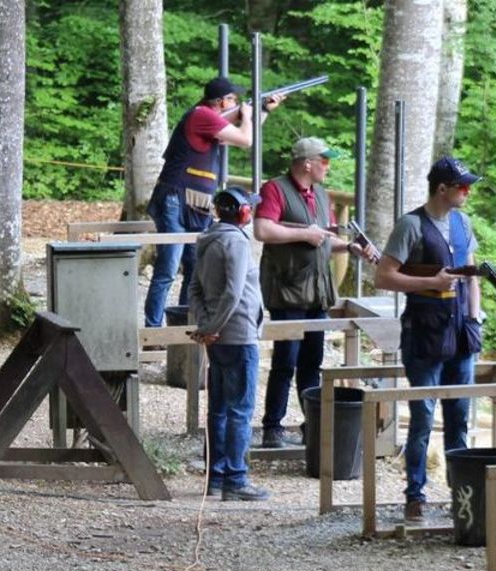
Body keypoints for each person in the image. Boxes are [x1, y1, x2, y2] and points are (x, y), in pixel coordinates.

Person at [374, 156, 485, 522]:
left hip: (459, 332)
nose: (467, 192)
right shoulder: (411, 225)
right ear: (442, 189)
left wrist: (473, 318)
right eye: (462, 186)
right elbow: (384, 277)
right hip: (423, 332)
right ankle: (415, 494)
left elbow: (471, 275)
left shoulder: (462, 222)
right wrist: (431, 283)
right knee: (423, 417)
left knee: (460, 417)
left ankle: (462, 495)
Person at [253, 137, 379, 448]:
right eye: (324, 160)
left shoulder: (321, 195)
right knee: (285, 360)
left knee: (313, 361)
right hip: (287, 289)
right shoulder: (274, 189)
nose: (328, 166)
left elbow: (324, 240)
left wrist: (350, 247)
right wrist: (304, 234)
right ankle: (273, 428)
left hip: (317, 291)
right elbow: (262, 229)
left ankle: (313, 425)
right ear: (307, 163)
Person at [144, 76, 283, 328]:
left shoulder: (209, 120)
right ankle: (153, 329)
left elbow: (239, 137)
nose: (238, 103)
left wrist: (262, 110)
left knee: (195, 267)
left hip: (193, 203)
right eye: (234, 99)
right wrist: (249, 115)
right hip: (176, 198)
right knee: (168, 267)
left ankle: (183, 325)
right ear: (222, 102)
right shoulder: (202, 116)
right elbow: (246, 139)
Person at [187, 188, 271, 502]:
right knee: (239, 410)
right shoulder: (235, 242)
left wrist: (206, 325)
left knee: (219, 409)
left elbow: (193, 289)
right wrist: (212, 327)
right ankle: (235, 478)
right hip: (237, 335)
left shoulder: (207, 239)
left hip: (219, 336)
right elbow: (234, 293)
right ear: (243, 213)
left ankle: (216, 477)